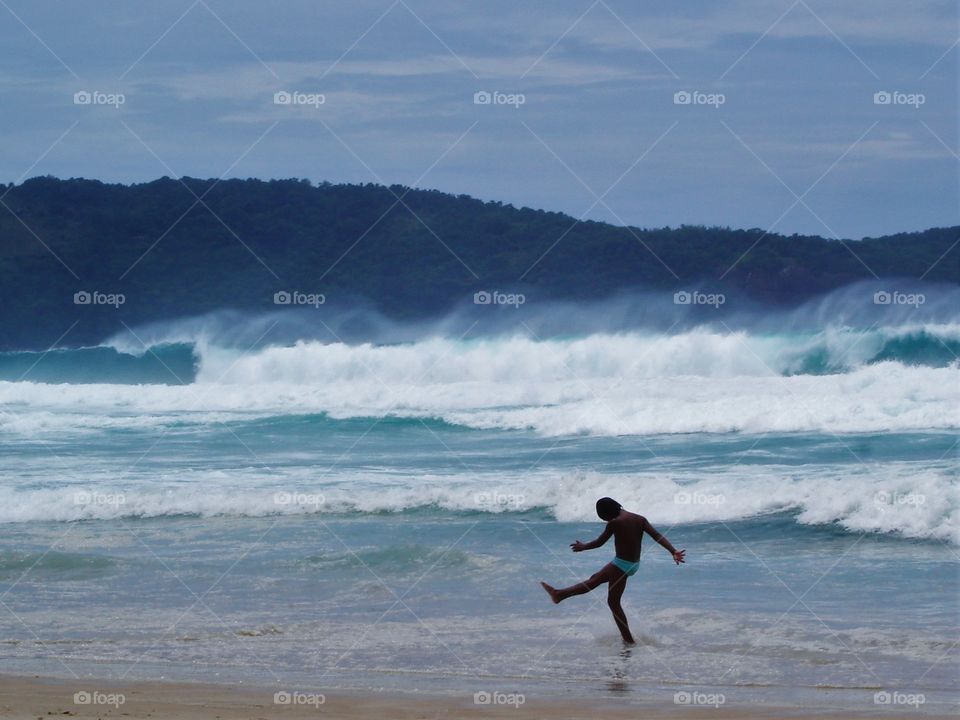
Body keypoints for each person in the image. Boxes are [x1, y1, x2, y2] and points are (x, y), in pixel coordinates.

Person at [540, 497, 685, 644]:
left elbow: (599, 542)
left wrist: (583, 547)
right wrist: (673, 551)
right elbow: (657, 535)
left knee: (613, 602)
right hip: (630, 563)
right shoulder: (639, 519)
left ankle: (629, 641)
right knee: (595, 579)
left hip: (622, 565)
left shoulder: (615, 523)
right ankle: (559, 595)